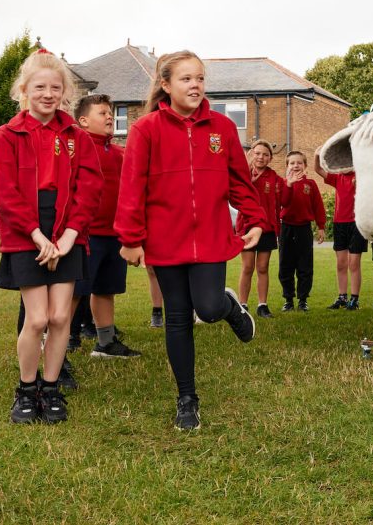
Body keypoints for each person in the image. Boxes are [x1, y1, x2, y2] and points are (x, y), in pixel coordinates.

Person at [115, 50, 273, 430]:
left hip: (211, 237)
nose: (196, 85)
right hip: (165, 241)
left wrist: (255, 217)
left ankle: (229, 308)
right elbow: (131, 186)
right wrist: (130, 237)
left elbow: (239, 180)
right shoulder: (146, 129)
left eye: (200, 78)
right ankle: (187, 398)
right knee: (178, 318)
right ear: (166, 85)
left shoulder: (221, 128)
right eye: (186, 79)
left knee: (208, 305)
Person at [0, 49, 103, 424]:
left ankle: (51, 390)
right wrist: (38, 237)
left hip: (68, 229)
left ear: (65, 92)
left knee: (60, 317)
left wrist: (70, 236)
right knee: (37, 318)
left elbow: (90, 188)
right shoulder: (6, 135)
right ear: (24, 90)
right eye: (40, 86)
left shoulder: (77, 136)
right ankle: (26, 390)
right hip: (27, 232)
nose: (48, 94)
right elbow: (6, 193)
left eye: (56, 87)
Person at [72, 94, 140, 359]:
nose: (110, 116)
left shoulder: (120, 153)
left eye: (111, 112)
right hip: (86, 234)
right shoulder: (76, 148)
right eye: (102, 113)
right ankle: (63, 340)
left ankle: (105, 343)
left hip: (115, 234)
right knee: (75, 292)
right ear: (84, 121)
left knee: (106, 289)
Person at [239, 141, 284, 318]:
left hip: (267, 228)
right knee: (247, 267)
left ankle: (262, 305)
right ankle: (242, 305)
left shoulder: (274, 177)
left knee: (263, 267)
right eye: (257, 153)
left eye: (265, 154)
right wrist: (250, 179)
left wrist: (290, 183)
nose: (261, 157)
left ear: (270, 158)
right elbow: (236, 191)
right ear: (251, 154)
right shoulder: (244, 174)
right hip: (247, 227)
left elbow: (284, 199)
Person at [317, 154, 367, 310]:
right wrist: (317, 154)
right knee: (341, 264)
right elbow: (317, 168)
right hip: (340, 224)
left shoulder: (360, 176)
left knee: (354, 263)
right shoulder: (337, 177)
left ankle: (354, 299)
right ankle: (342, 297)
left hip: (357, 224)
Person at [279, 151, 326, 312]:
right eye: (292, 163)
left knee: (305, 266)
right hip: (286, 227)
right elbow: (283, 202)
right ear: (287, 166)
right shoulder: (283, 183)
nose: (296, 165)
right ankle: (288, 299)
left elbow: (318, 206)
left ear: (305, 166)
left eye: (299, 163)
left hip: (304, 228)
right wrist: (289, 185)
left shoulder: (311, 184)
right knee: (286, 265)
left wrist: (321, 226)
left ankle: (303, 300)